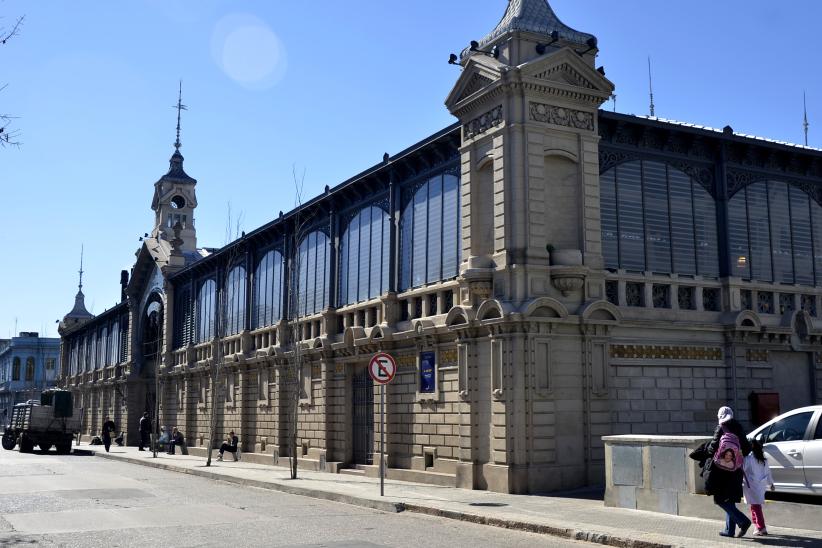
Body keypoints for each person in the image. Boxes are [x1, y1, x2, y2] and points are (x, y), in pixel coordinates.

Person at [706, 406, 752, 538]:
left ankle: (743, 521)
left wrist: (710, 449)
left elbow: (711, 449)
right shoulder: (739, 427)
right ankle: (729, 530)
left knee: (720, 499)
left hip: (721, 471)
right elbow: (747, 449)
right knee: (730, 499)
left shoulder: (720, 428)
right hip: (735, 469)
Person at [743, 439, 775, 536]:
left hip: (751, 485)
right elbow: (768, 472)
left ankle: (761, 527)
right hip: (761, 485)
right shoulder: (763, 459)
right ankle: (757, 526)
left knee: (755, 506)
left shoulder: (748, 459)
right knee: (755, 506)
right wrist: (771, 484)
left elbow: (742, 470)